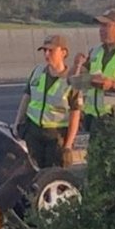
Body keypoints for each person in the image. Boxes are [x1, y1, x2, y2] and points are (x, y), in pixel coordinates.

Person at [13, 34, 82, 168]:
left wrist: (68, 146)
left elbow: (75, 114)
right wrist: (18, 121)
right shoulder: (38, 72)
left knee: (53, 174)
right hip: (34, 132)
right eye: (44, 50)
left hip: (55, 136)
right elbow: (27, 97)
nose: (47, 54)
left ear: (63, 52)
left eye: (51, 50)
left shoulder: (72, 80)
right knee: (33, 173)